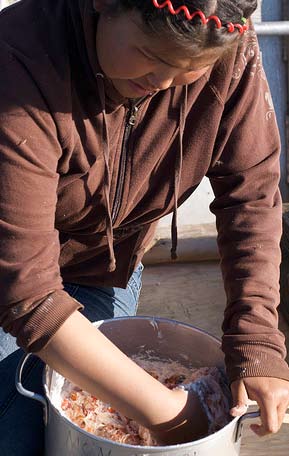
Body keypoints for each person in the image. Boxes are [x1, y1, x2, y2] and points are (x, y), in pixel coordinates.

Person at [0, 0, 289, 453]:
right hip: (10, 269)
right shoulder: (18, 60)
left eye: (191, 69)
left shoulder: (228, 48)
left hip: (101, 264)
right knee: (17, 432)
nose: (164, 83)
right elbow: (28, 297)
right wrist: (174, 417)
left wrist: (257, 337)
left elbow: (251, 195)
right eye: (152, 54)